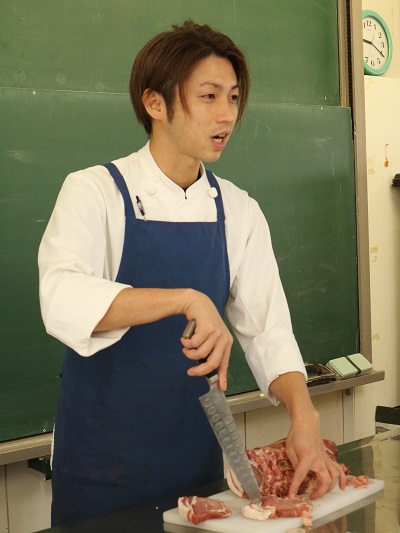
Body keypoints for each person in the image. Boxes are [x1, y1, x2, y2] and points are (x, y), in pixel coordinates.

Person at [38, 20, 346, 526]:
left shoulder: (239, 211)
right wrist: (186, 298)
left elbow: (268, 330)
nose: (227, 114)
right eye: (208, 96)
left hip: (196, 466)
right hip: (100, 469)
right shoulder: (95, 192)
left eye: (234, 97)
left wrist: (303, 414)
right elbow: (61, 296)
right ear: (155, 103)